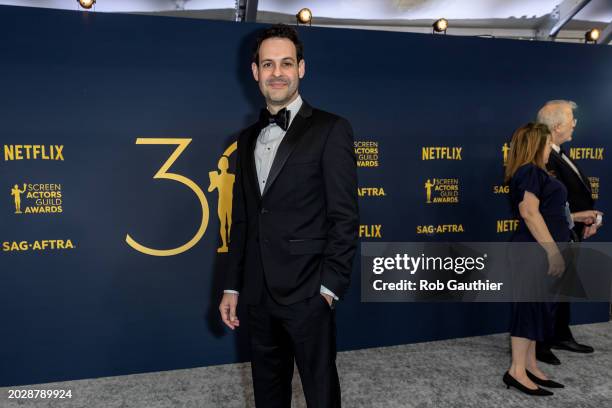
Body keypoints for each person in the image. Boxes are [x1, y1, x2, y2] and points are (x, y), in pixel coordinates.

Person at [218, 24, 359, 408]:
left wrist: (329, 290)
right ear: (255, 72)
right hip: (259, 293)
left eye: (285, 63)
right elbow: (244, 219)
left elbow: (344, 218)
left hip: (309, 292)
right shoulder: (246, 139)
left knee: (320, 393)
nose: (276, 73)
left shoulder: (331, 129)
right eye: (268, 64)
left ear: (301, 69)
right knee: (267, 391)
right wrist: (233, 286)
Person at [503, 123, 596, 396]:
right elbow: (529, 213)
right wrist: (552, 251)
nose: (550, 149)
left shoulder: (539, 173)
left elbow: (551, 212)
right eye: (546, 144)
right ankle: (516, 371)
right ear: (535, 145)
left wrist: (579, 217)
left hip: (539, 250)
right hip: (534, 251)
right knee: (528, 310)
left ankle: (530, 365)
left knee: (538, 310)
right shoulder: (529, 171)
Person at [535, 100, 603, 365]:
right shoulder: (542, 158)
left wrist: (589, 218)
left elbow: (573, 195)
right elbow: (541, 207)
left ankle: (559, 334)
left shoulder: (560, 153)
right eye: (571, 118)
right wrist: (577, 217)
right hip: (552, 236)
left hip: (569, 232)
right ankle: (540, 344)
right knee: (547, 291)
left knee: (562, 289)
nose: (575, 123)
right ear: (557, 125)